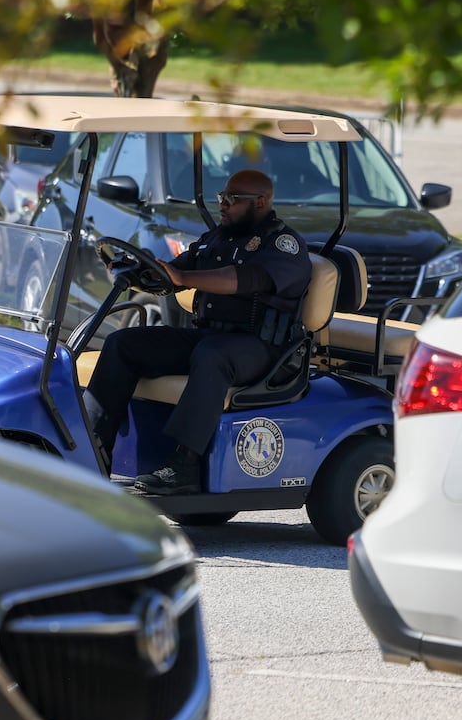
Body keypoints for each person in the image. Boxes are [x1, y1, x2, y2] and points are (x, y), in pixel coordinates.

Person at [85, 168, 311, 494]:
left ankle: (185, 465)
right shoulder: (218, 238)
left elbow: (246, 280)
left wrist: (183, 280)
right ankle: (94, 449)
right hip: (210, 336)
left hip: (261, 348)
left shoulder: (283, 246)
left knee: (212, 356)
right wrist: (143, 267)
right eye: (222, 197)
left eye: (233, 199)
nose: (224, 204)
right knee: (124, 343)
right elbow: (177, 269)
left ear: (260, 202)